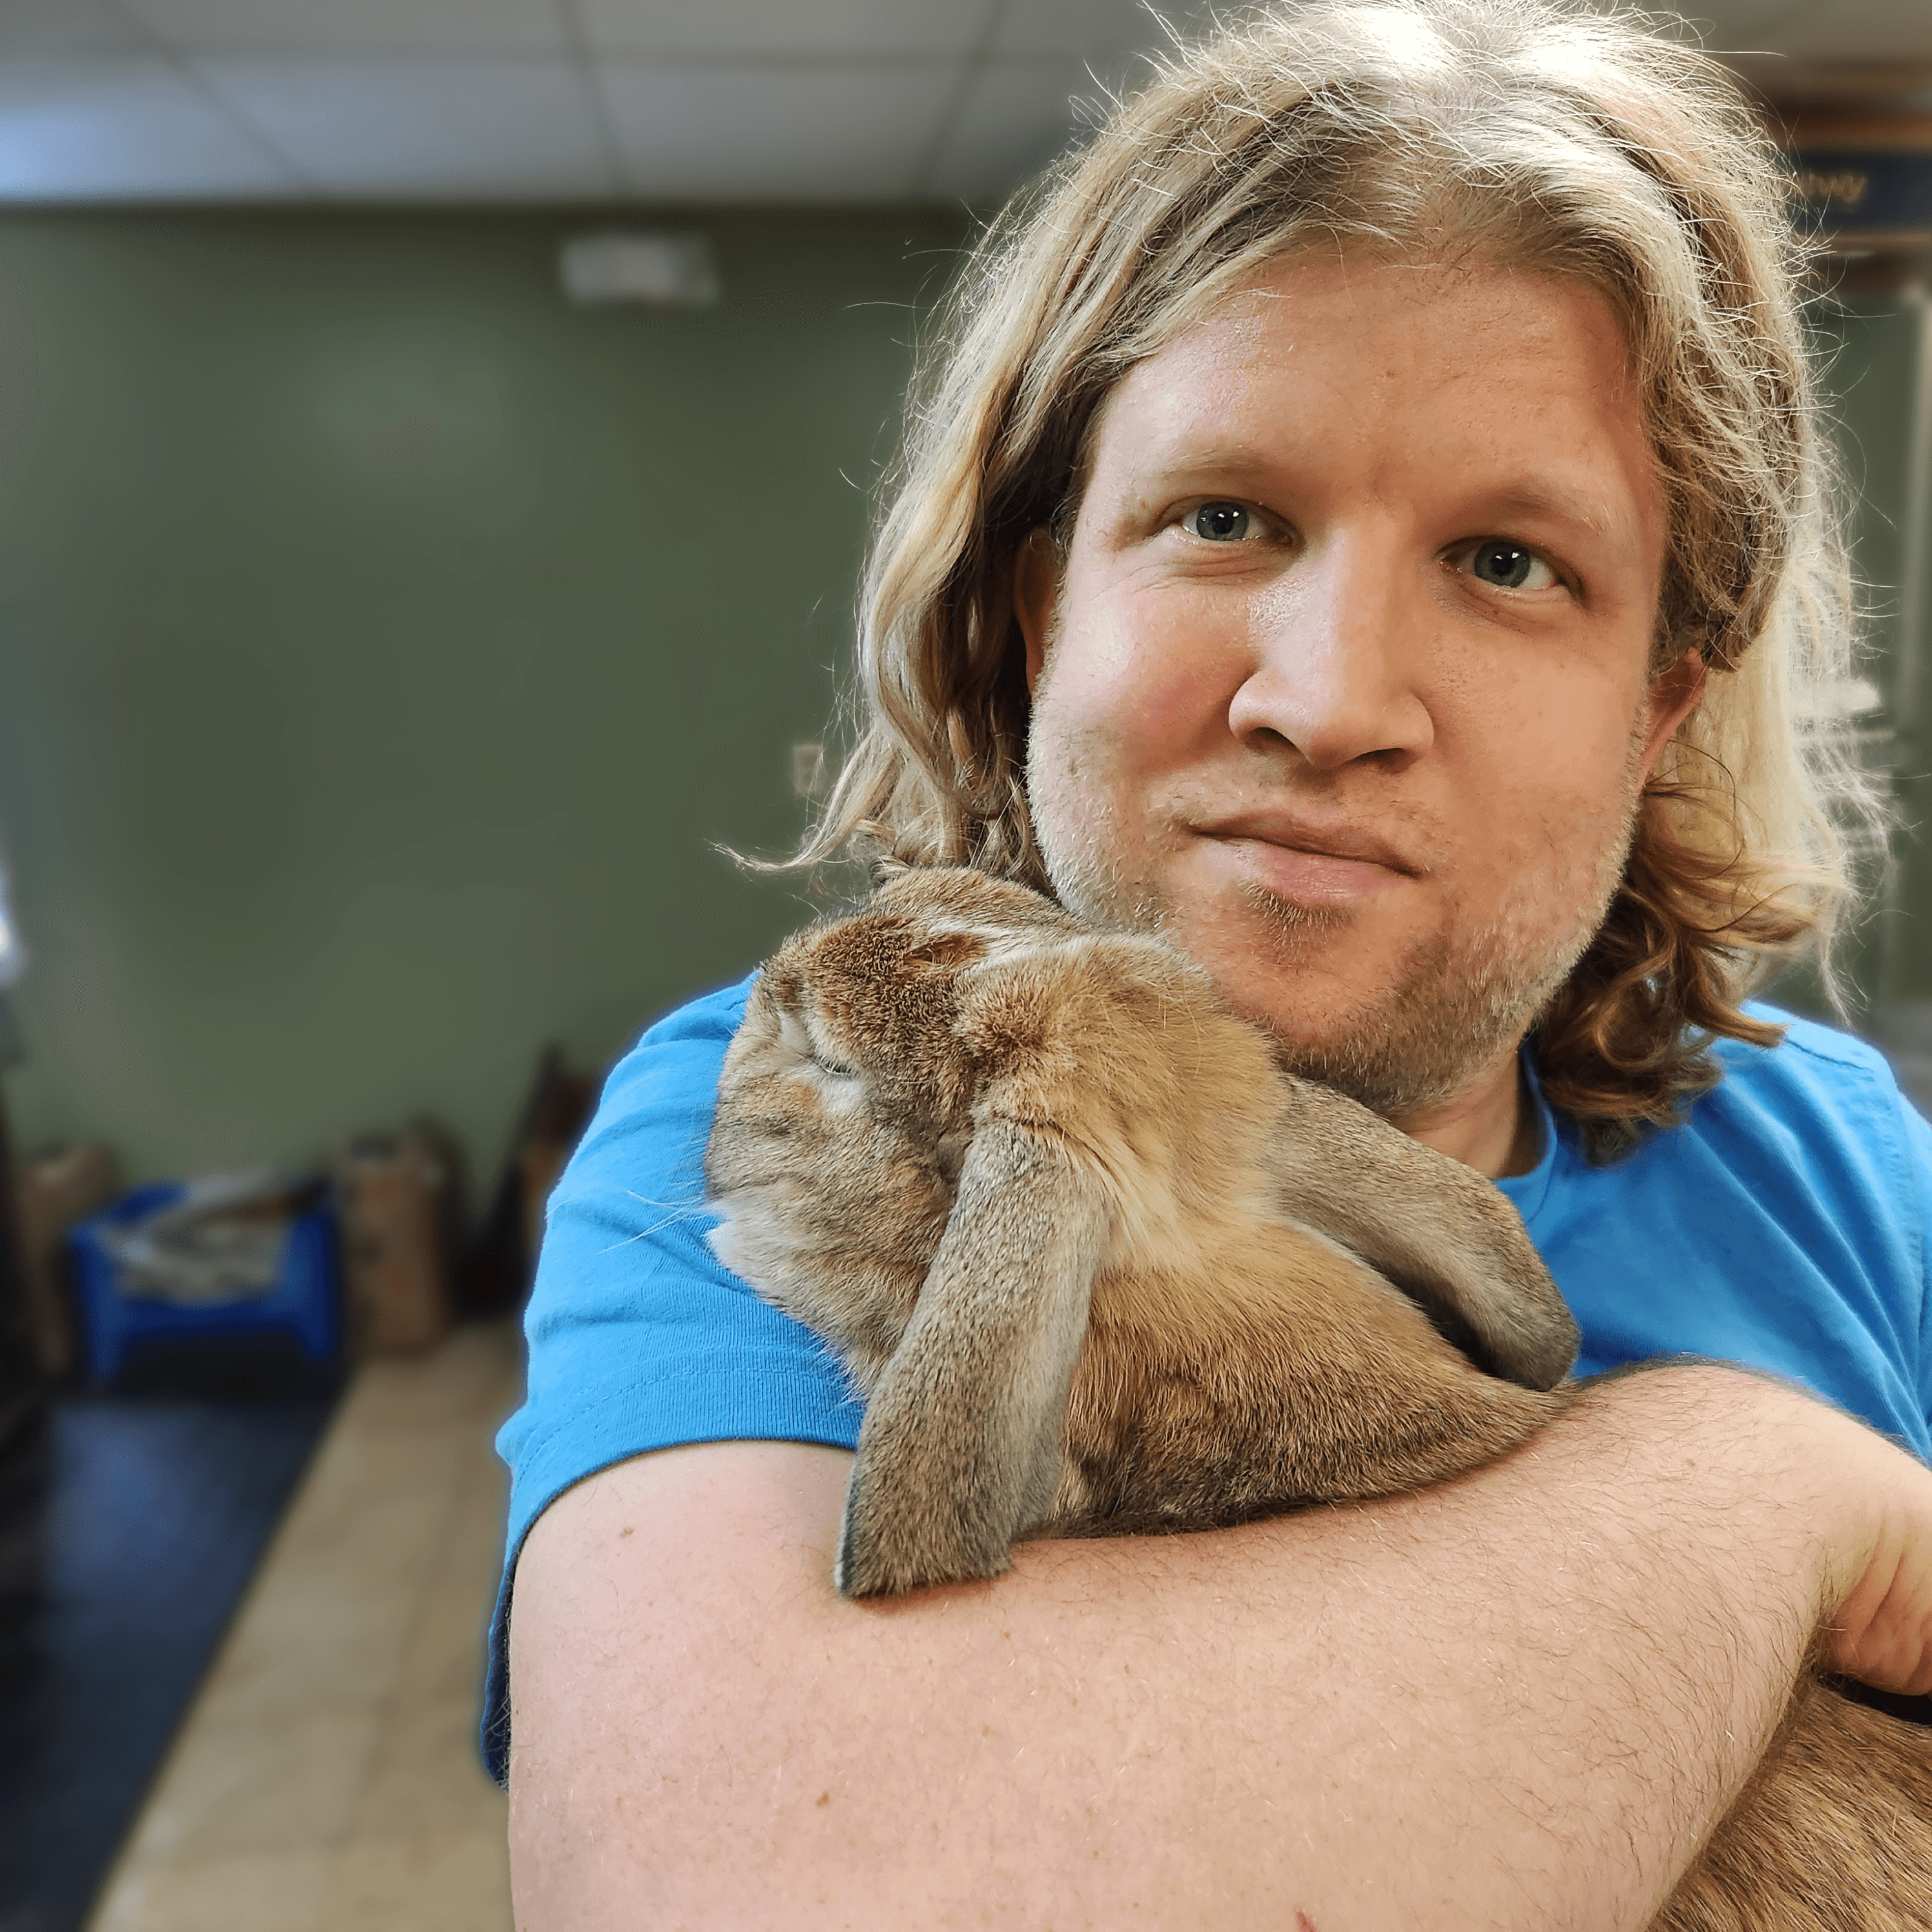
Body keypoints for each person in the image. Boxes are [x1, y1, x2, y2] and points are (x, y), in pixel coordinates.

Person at [496, 2, 1932, 1924]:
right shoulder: (800, 1122)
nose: (1328, 702)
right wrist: (1767, 1493)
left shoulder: (1847, 1168)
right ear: (1038, 610)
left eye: (1511, 563)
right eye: (1225, 517)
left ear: (1656, 709)